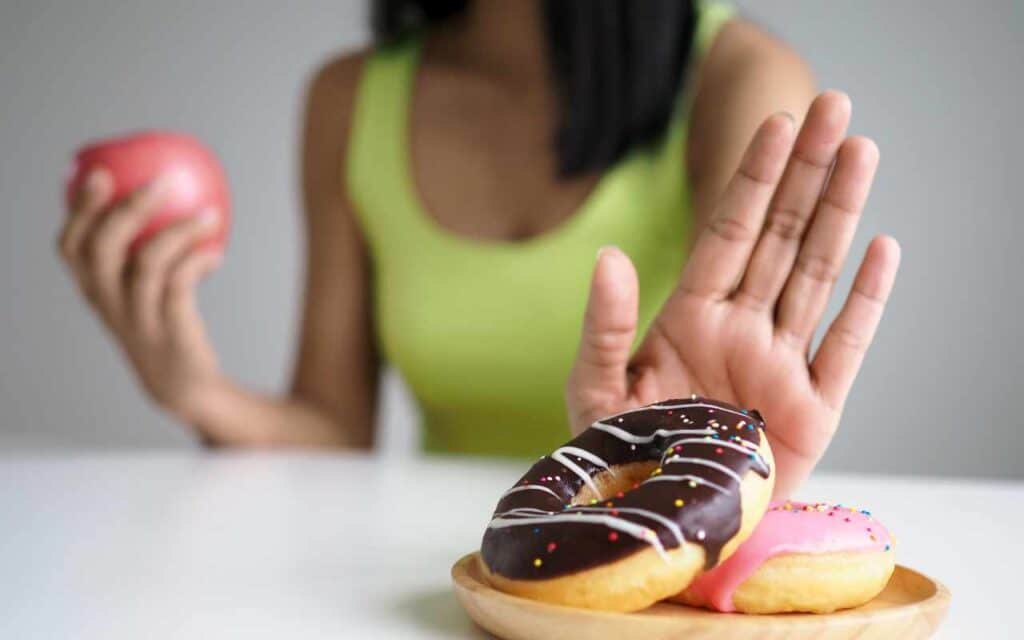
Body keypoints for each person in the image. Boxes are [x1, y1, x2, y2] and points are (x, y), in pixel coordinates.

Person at [56, 0, 900, 498]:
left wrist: (679, 458)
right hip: (427, 590)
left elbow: (746, 428)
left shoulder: (738, 81)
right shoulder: (349, 99)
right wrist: (193, 388)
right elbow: (333, 432)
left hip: (654, 583)